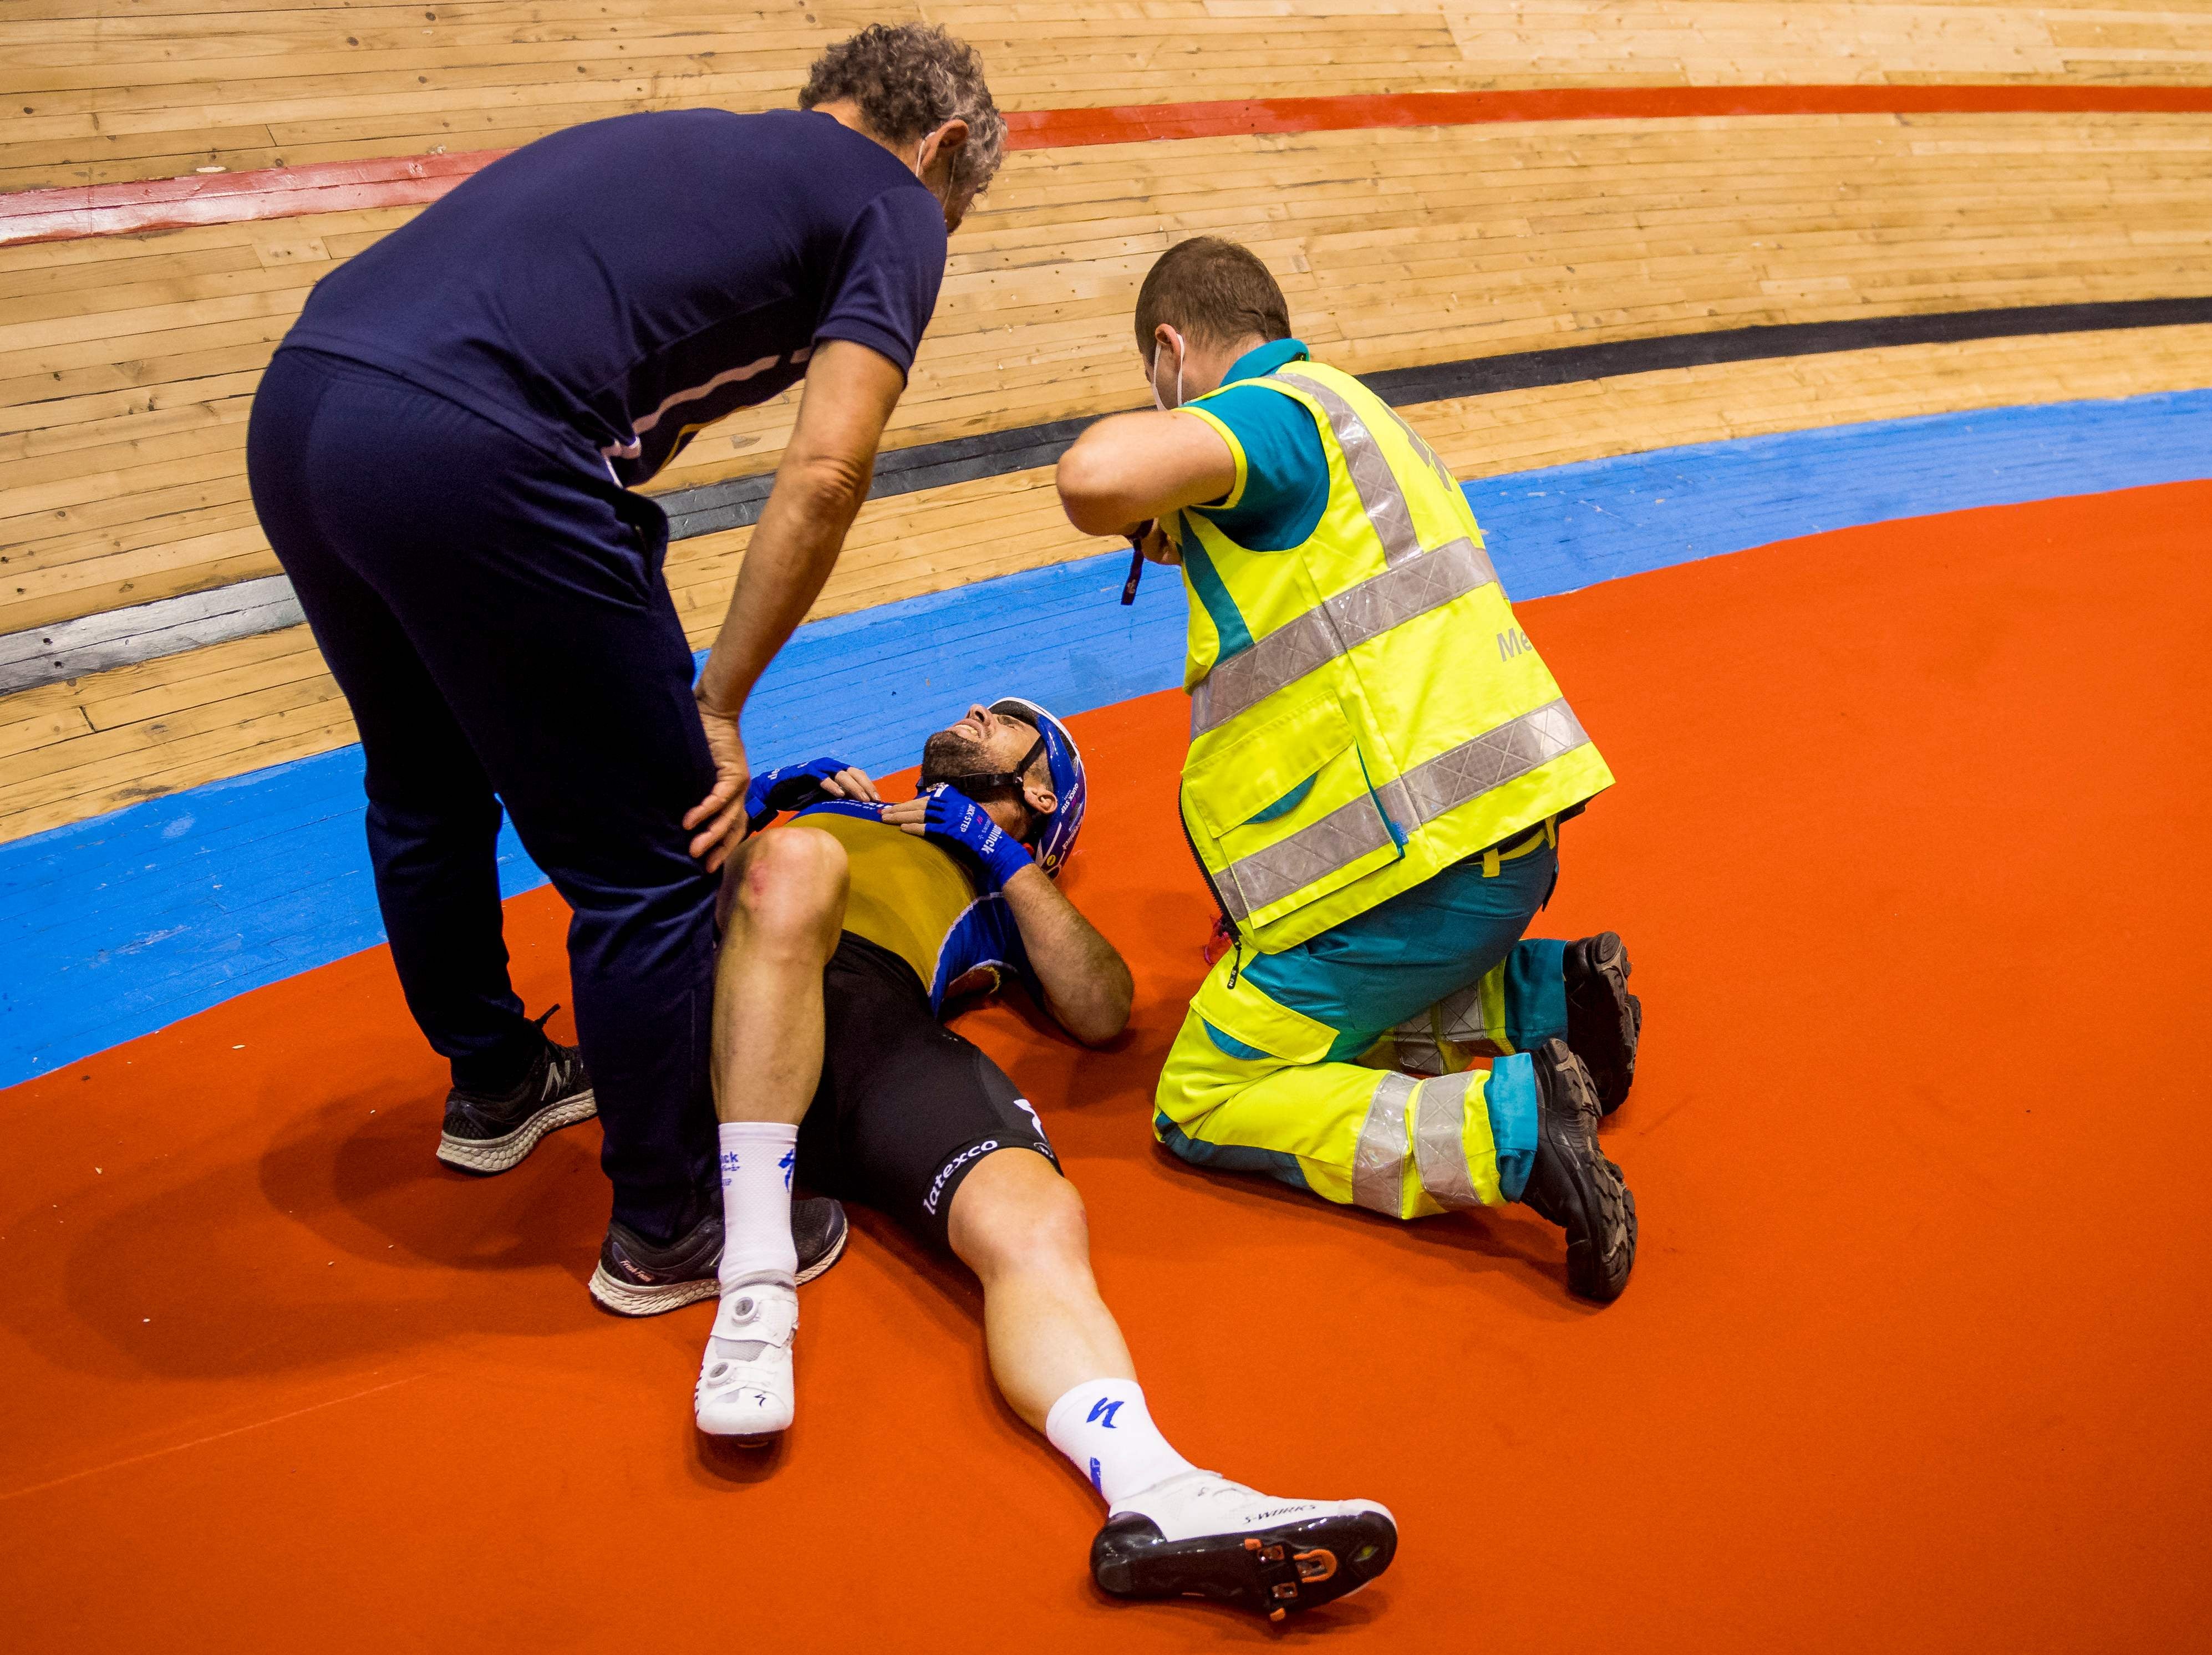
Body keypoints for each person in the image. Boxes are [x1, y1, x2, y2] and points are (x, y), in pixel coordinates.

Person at [242, 25, 1004, 1307]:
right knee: (659, 846)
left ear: (823, 100)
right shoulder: (893, 196)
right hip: (470, 439)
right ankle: (673, 1222)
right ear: (939, 145)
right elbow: (828, 468)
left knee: (423, 782)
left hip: (308, 399)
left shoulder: (711, 145)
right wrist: (713, 699)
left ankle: (493, 1082)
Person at [699, 697, 1398, 1621]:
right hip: (725, 1013)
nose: (978, 709)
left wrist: (1003, 860)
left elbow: (1103, 1006)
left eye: (1008, 722)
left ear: (1036, 789)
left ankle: (1158, 1489)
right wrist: (757, 814)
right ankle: (755, 1286)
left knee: (1039, 1216)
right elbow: (645, 892)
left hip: (868, 1032)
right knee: (793, 863)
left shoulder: (996, 885)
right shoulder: (823, 818)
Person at [1053, 238, 1644, 1301]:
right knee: (1321, 1008)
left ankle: (1508, 1131)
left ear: (1169, 351)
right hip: (1499, 846)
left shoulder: (1267, 415)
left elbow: (1091, 476)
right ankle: (1550, 995)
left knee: (1203, 1091)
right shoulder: (1356, 413)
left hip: (1414, 874)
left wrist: (1170, 449)